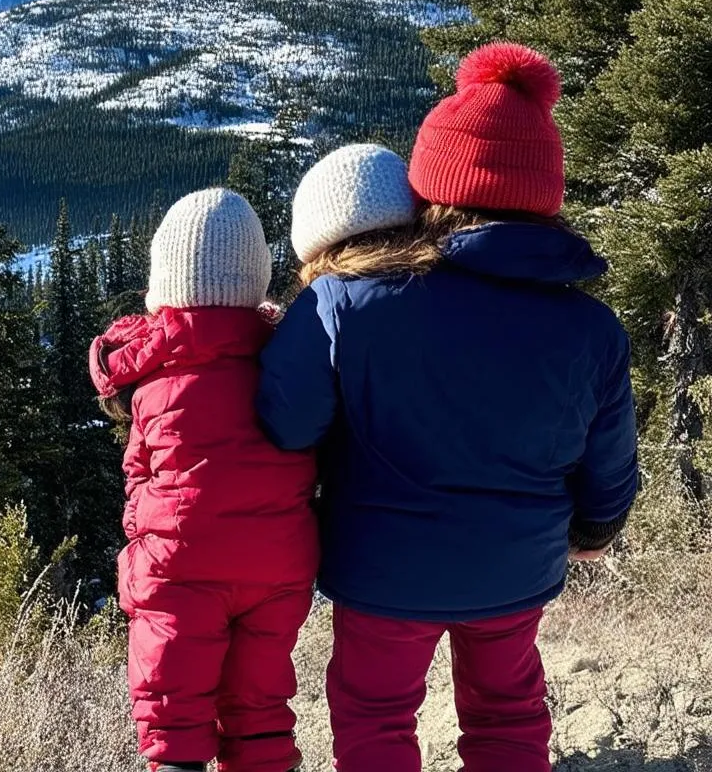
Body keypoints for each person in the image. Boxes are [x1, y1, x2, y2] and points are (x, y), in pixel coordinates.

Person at [258, 43, 639, 772]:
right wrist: (596, 524)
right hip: (516, 566)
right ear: (544, 195)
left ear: (429, 186)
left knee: (375, 716)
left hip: (381, 570)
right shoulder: (591, 328)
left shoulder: (347, 300)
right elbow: (610, 460)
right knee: (507, 715)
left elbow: (288, 422)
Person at [89, 188, 318, 772]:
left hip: (179, 565)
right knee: (261, 711)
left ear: (165, 286)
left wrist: (144, 542)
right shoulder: (290, 362)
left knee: (175, 715)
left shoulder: (156, 375)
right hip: (278, 566)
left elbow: (138, 476)